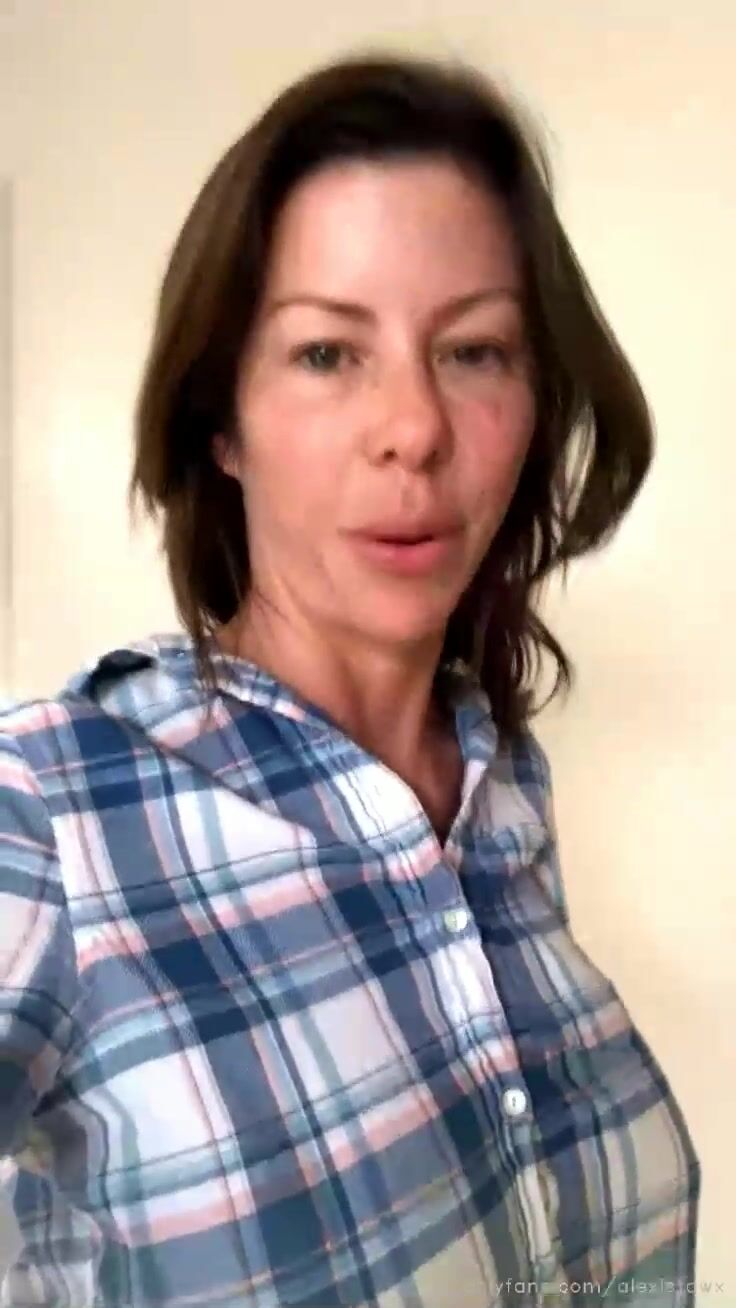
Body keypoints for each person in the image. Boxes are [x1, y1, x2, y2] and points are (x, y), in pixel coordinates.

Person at [0, 50, 699, 1308]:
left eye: (474, 351)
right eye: (327, 353)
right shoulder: (49, 810)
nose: (414, 429)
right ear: (223, 422)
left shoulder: (502, 785)